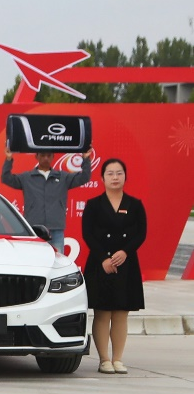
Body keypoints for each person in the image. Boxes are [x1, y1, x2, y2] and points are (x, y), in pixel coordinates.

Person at [81, 158, 146, 375]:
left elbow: (141, 234)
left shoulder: (135, 204)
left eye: (119, 173)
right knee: (102, 313)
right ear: (102, 178)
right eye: (110, 173)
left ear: (125, 176)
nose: (115, 177)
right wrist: (104, 259)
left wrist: (125, 252)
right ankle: (104, 359)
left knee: (120, 313)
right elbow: (88, 234)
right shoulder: (93, 205)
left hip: (126, 264)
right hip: (101, 264)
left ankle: (118, 359)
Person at [0, 145, 94, 251]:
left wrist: (86, 158)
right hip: (33, 228)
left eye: (49, 155)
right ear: (36, 156)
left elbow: (84, 178)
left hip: (56, 229)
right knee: (33, 258)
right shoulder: (27, 177)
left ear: (53, 157)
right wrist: (8, 158)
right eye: (42, 155)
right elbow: (6, 178)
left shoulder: (63, 177)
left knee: (57, 259)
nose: (45, 158)